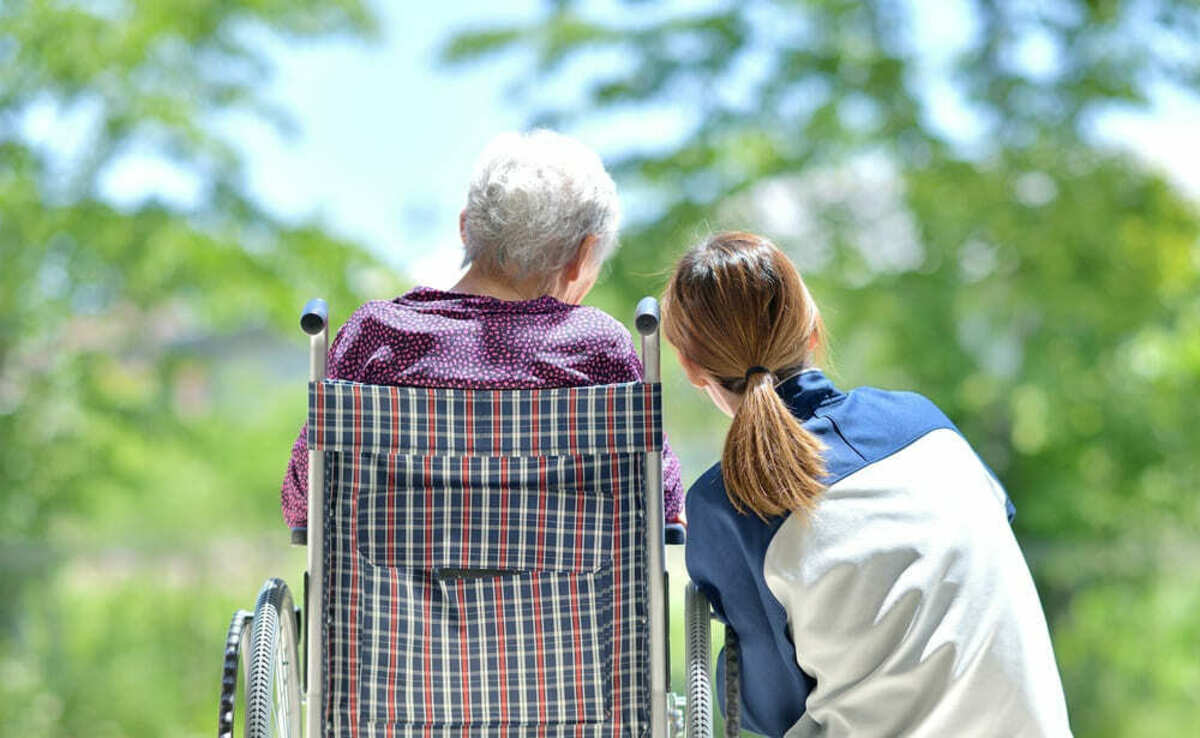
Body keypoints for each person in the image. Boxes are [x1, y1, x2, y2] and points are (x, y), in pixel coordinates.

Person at [662, 231, 1071, 737]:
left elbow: (769, 710)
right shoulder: (927, 426)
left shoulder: (729, 503)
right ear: (812, 328)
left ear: (690, 366)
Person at [281, 129, 685, 537]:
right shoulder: (598, 347)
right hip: (564, 600)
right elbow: (663, 499)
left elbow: (302, 500)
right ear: (583, 256)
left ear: (465, 228)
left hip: (389, 600)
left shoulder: (376, 337)